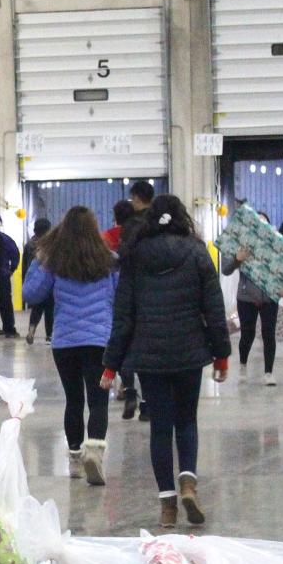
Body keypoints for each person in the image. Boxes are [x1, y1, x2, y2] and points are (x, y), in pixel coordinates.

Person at [101, 195, 230, 529]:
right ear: (181, 218)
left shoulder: (134, 256)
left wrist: (111, 364)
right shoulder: (197, 252)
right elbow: (214, 309)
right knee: (187, 420)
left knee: (160, 427)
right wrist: (222, 355)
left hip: (149, 354)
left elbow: (123, 315)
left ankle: (168, 506)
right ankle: (188, 481)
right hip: (189, 351)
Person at [22, 206, 118, 486]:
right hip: (100, 340)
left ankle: (75, 458)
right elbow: (121, 296)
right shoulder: (109, 261)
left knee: (73, 400)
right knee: (98, 400)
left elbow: (31, 293)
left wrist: (39, 260)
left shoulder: (54, 261)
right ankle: (95, 453)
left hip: (65, 342)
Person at [222, 227, 283, 387]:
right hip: (246, 297)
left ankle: (268, 372)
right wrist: (238, 259)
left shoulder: (277, 249)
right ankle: (243, 365)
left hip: (270, 297)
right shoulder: (242, 247)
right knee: (247, 333)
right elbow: (226, 270)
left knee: (268, 333)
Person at [114, 180, 157, 421]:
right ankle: (149, 403)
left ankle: (130, 391)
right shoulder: (160, 222)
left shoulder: (130, 225)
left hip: (130, 292)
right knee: (149, 349)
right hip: (154, 294)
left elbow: (122, 257)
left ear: (137, 198)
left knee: (126, 344)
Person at [23, 216, 54, 345]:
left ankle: (31, 331)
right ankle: (49, 336)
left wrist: (26, 281)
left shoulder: (29, 244)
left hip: (34, 279)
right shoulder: (50, 244)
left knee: (37, 307)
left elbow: (24, 264)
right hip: (47, 279)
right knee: (49, 308)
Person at [0, 216, 22, 338]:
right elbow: (15, 254)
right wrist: (12, 269)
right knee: (5, 302)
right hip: (3, 276)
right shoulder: (5, 239)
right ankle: (9, 329)